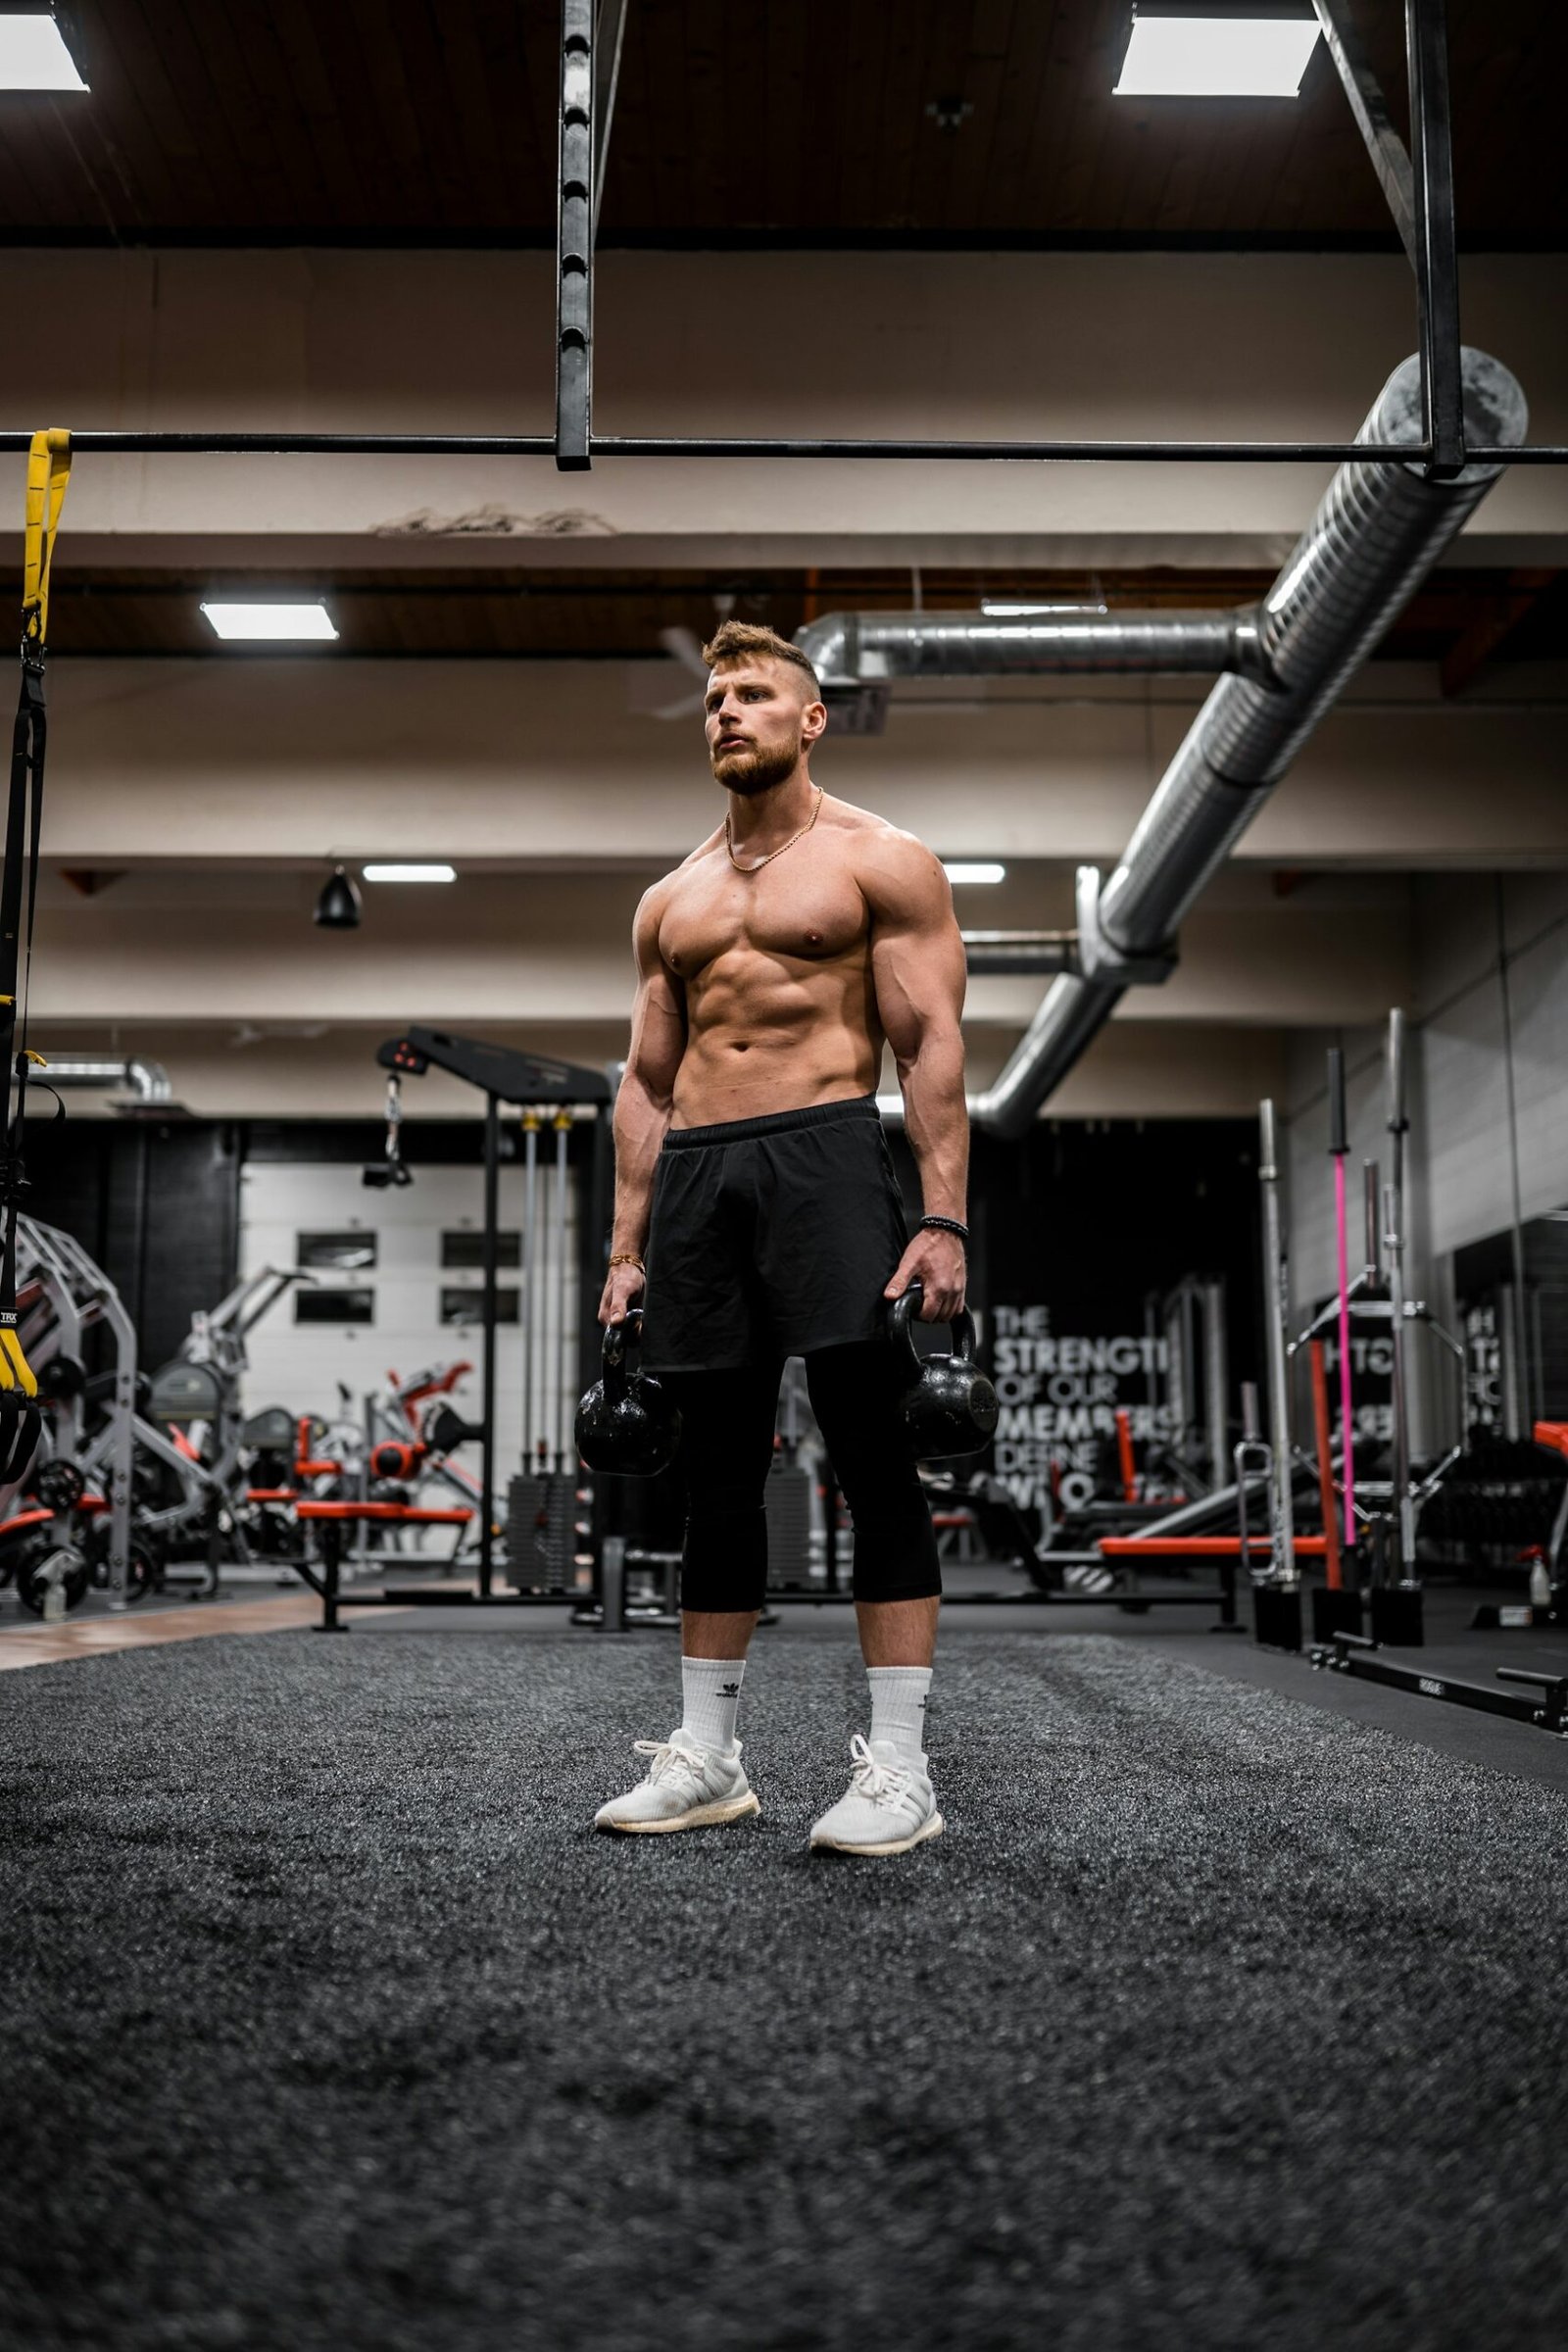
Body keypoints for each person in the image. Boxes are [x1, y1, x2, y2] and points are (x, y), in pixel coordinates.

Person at [593, 618, 968, 1857]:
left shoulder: (883, 861)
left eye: (753, 695)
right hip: (700, 1177)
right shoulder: (670, 900)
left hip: (826, 1155)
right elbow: (645, 1086)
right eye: (714, 699)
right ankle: (708, 1758)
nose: (726, 714)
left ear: (811, 719)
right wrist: (626, 1249)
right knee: (712, 1478)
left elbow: (928, 1050)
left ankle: (901, 1770)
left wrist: (942, 1218)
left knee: (870, 1454)